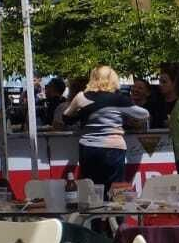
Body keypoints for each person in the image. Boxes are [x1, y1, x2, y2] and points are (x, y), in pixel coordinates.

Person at [63, 65, 149, 194]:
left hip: (88, 148)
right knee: (115, 190)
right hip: (113, 148)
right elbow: (144, 114)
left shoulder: (81, 97)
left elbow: (66, 117)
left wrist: (85, 114)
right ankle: (113, 214)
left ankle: (94, 214)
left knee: (91, 191)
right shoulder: (119, 99)